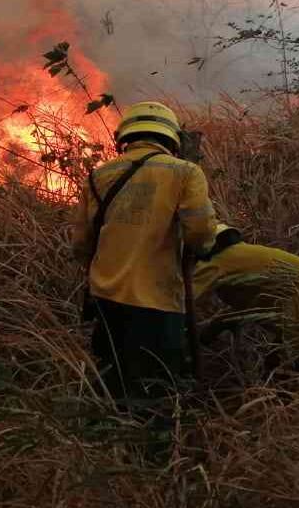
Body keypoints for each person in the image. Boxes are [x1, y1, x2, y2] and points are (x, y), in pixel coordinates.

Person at [71, 101, 218, 403]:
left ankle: (107, 440)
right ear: (172, 139)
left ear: (123, 138)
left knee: (113, 383)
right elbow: (201, 232)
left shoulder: (98, 176)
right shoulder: (186, 172)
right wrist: (200, 250)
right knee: (155, 389)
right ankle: (154, 445)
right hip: (157, 301)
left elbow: (81, 244)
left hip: (105, 297)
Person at [193, 224, 299, 372]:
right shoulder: (247, 253)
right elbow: (258, 299)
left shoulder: (216, 262)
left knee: (295, 383)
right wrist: (218, 325)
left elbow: (177, 303)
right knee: (278, 369)